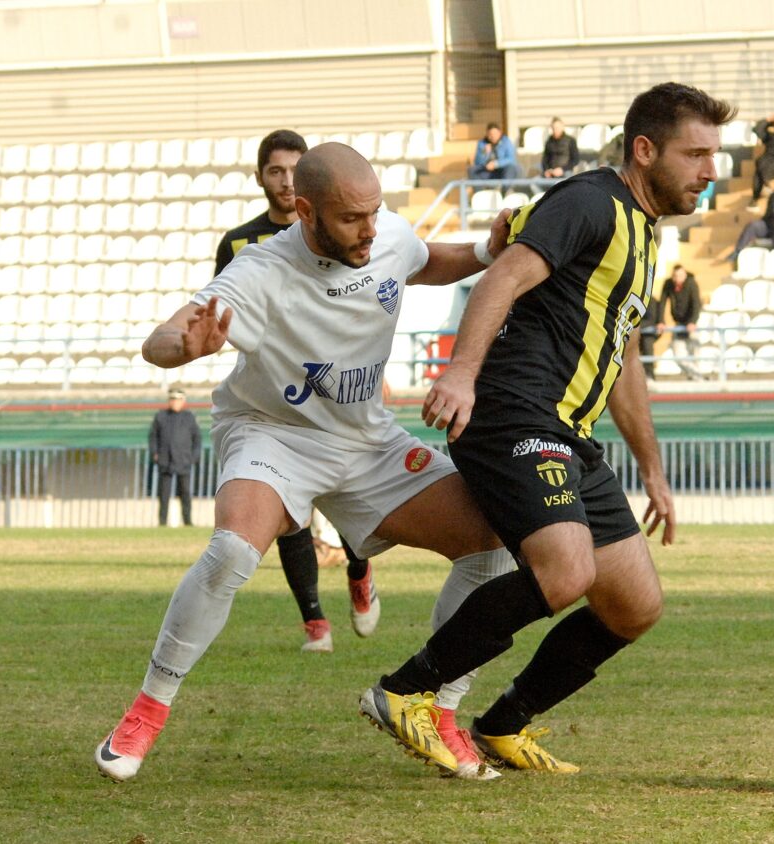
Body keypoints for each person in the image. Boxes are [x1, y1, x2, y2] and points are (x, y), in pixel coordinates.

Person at [95, 143, 523, 784]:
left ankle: (436, 710)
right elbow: (160, 339)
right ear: (304, 211)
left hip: (365, 440)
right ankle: (147, 710)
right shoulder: (260, 270)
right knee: (233, 551)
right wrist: (183, 347)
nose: (369, 229)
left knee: (495, 543)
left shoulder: (382, 233)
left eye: (374, 212)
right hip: (275, 434)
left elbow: (424, 259)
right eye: (351, 218)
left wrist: (485, 252)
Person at [361, 81, 719, 775]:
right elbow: (501, 279)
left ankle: (503, 724)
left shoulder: (644, 236)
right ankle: (404, 690)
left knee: (634, 605)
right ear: (646, 151)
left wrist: (652, 471)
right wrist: (460, 374)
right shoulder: (591, 201)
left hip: (569, 433)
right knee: (566, 570)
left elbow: (624, 359)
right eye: (696, 154)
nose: (709, 171)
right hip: (513, 412)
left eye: (714, 155)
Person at [213, 129, 378, 654]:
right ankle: (315, 623)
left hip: (340, 392)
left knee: (352, 494)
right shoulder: (240, 245)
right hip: (280, 398)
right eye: (275, 171)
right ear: (260, 177)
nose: (285, 181)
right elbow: (225, 314)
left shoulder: (341, 231)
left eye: (293, 170)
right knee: (290, 515)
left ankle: (359, 570)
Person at [149, 389, 202, 527]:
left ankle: (187, 521)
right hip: (165, 460)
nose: (175, 402)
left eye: (178, 399)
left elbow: (197, 438)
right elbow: (153, 437)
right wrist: (155, 454)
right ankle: (162, 522)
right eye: (172, 399)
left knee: (185, 492)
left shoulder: (189, 417)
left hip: (184, 460)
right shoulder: (161, 416)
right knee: (164, 493)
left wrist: (194, 457)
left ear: (183, 401)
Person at [657, 265, 704, 380]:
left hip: (692, 323)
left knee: (695, 354)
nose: (677, 278)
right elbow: (662, 303)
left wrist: (693, 322)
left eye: (680, 275)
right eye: (675, 276)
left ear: (685, 275)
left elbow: (696, 303)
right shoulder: (668, 284)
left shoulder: (691, 283)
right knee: (678, 354)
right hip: (678, 324)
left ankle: (697, 379)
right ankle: (698, 377)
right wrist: (661, 321)